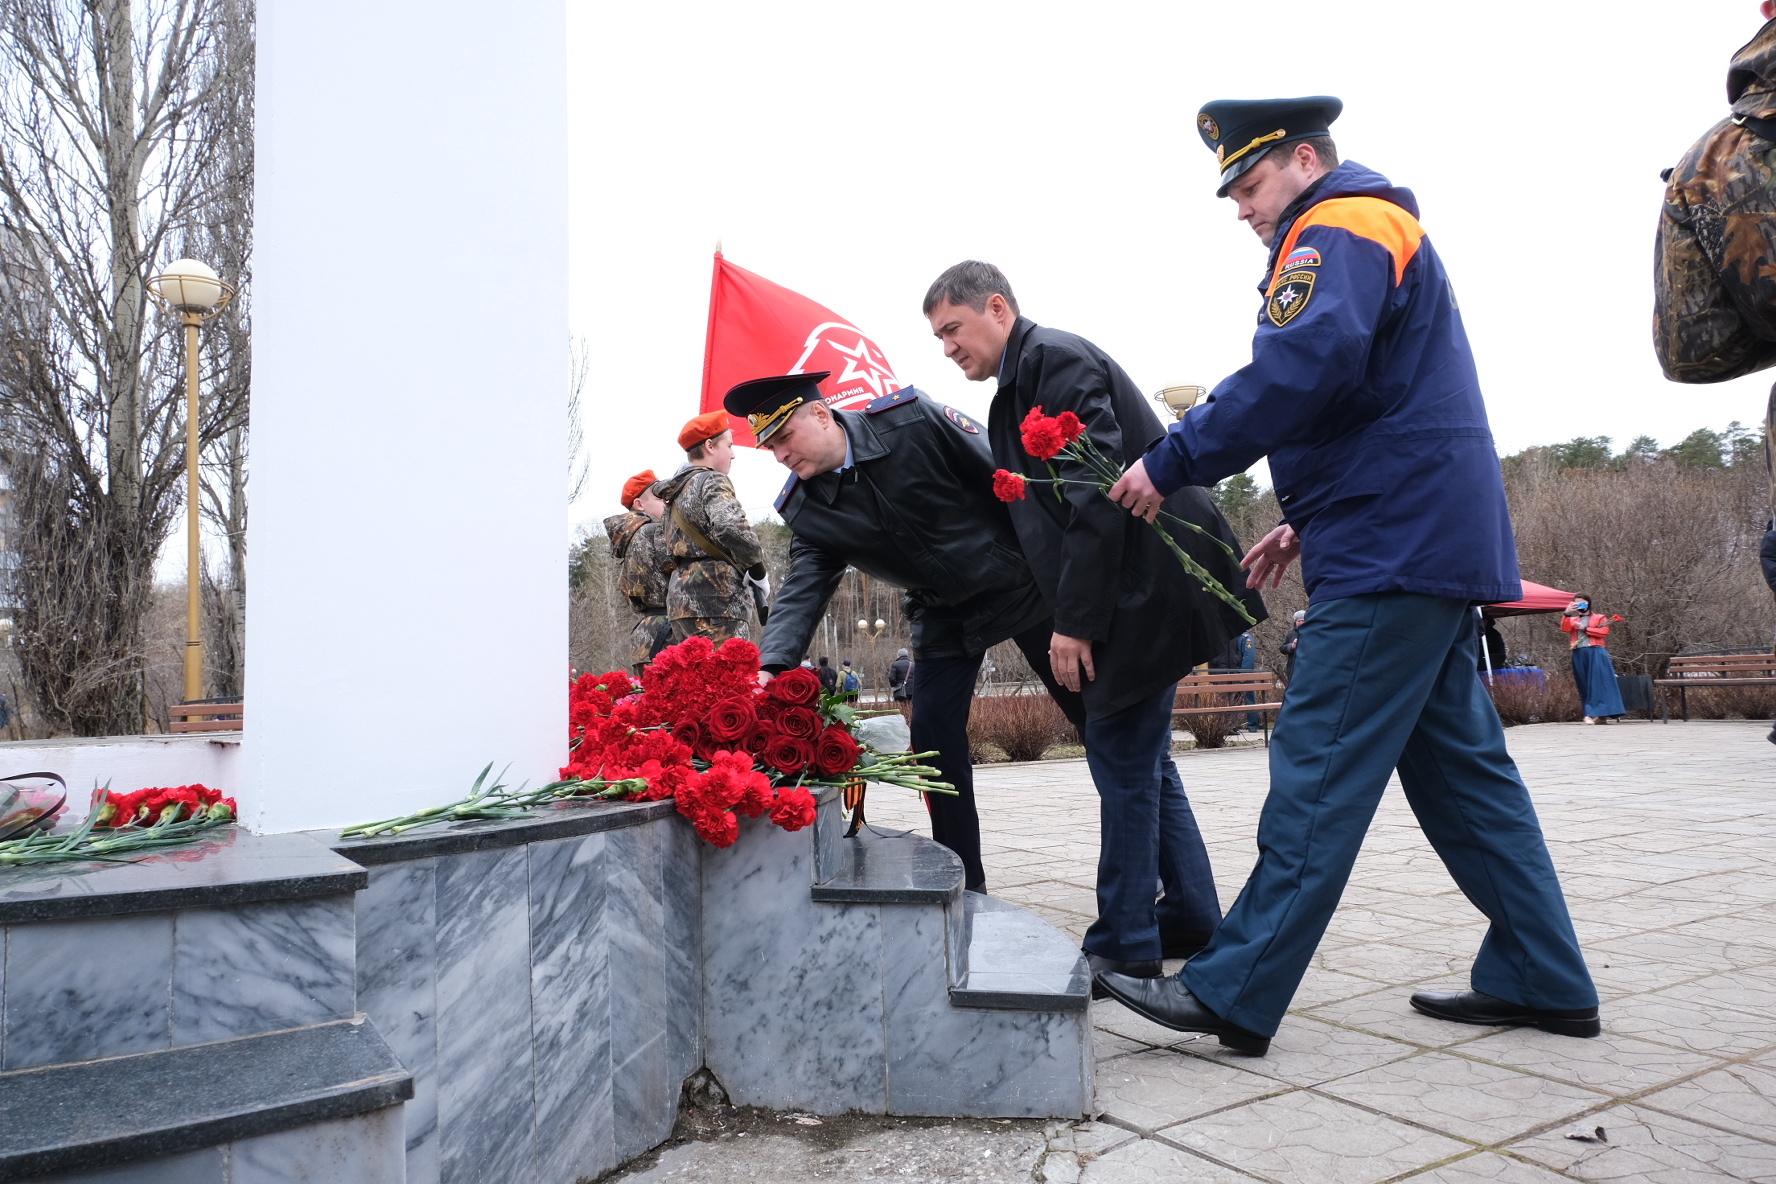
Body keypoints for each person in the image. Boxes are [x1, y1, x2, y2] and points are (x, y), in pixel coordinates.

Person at [1098, 96, 1599, 1054]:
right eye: (1234, 194)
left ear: (1304, 157)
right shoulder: (1368, 225)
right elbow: (1374, 400)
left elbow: (1304, 369)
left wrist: (1171, 458)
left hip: (1390, 549)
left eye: (1250, 183)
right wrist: (1305, 518)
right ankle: (1544, 973)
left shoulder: (1340, 222)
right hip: (1410, 533)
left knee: (1318, 766)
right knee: (1466, 779)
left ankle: (1234, 988)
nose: (1243, 207)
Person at [924, 260, 1263, 979]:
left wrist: (1073, 624)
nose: (948, 348)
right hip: (1133, 587)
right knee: (1140, 761)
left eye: (953, 329)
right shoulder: (1018, 384)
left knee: (1123, 761)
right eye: (939, 338)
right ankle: (1192, 915)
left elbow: (1095, 493)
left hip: (1145, 586)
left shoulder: (1054, 360)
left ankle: (1124, 943)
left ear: (997, 308)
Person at [728, 371, 1078, 891]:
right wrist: (771, 668)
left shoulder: (911, 422)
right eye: (769, 447)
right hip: (943, 614)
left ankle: (1167, 887)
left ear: (821, 415)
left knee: (1100, 720)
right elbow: (801, 591)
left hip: (1021, 582)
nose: (779, 455)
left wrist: (1074, 582)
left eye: (784, 437)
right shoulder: (808, 506)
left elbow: (1011, 479)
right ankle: (964, 886)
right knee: (932, 746)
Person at [653, 410, 769, 644]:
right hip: (718, 599)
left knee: (694, 678)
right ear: (710, 446)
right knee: (726, 676)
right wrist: (757, 570)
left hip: (679, 603)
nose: (733, 454)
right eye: (729, 445)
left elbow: (661, 548)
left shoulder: (673, 493)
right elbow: (731, 527)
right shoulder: (712, 480)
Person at [603, 469, 672, 676]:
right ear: (639, 504)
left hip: (645, 635)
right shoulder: (654, 532)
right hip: (666, 634)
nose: (667, 503)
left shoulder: (630, 537)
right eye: (660, 498)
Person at [1561, 596, 1625, 724]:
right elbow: (1565, 628)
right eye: (1576, 603)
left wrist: (1585, 629)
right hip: (1579, 652)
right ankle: (1595, 714)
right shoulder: (1573, 619)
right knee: (1584, 683)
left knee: (1598, 682)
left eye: (1582, 603)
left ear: (1588, 604)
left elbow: (1603, 632)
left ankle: (1594, 713)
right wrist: (1567, 613)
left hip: (1596, 651)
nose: (1579, 605)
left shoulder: (1599, 617)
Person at [1280, 610, 1305, 685]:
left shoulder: (1312, 632)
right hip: (1293, 667)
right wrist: (1291, 646)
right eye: (1299, 621)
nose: (1301, 623)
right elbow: (1282, 648)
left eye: (1303, 621)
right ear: (1295, 621)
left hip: (1307, 667)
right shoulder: (1290, 633)